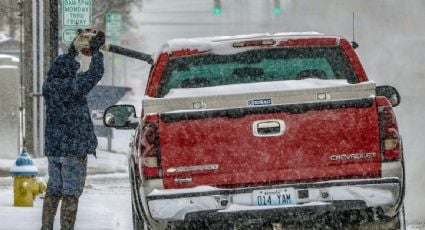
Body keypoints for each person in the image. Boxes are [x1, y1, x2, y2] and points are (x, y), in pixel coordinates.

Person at [41, 30, 105, 230]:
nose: (77, 72)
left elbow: (77, 73)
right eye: (75, 70)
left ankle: (46, 227)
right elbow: (94, 74)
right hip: (73, 148)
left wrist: (72, 51)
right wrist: (96, 52)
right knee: (71, 193)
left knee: (54, 189)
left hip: (54, 148)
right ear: (70, 72)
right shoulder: (73, 86)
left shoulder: (49, 85)